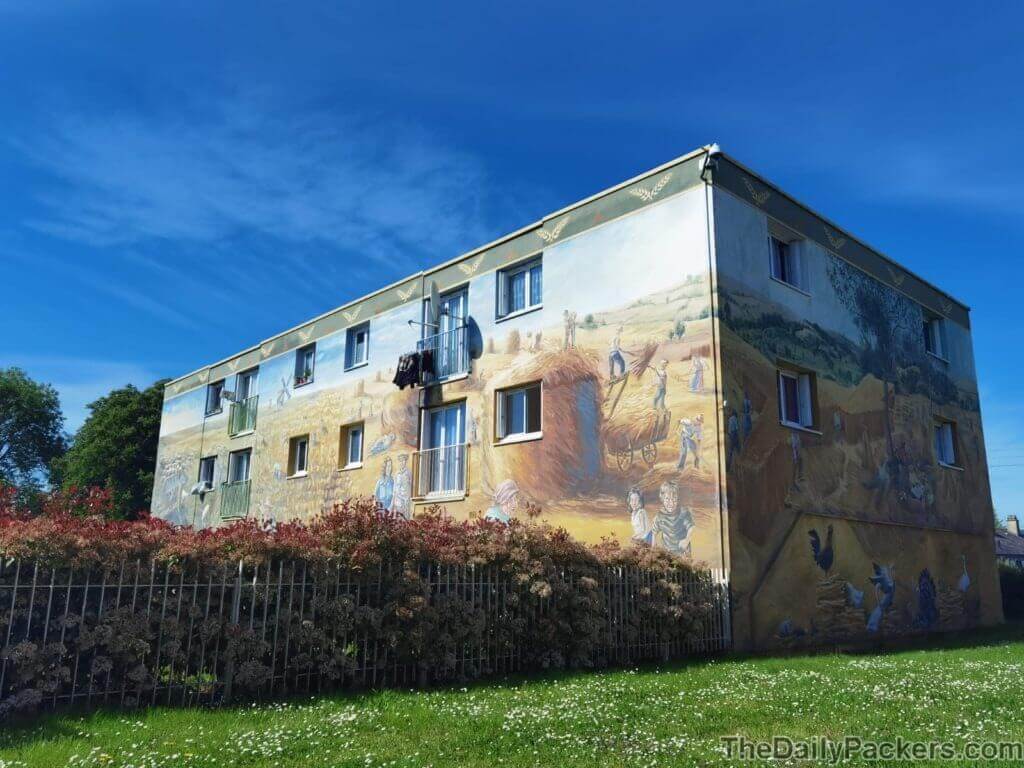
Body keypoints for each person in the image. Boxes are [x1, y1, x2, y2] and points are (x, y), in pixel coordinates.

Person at [652, 480, 694, 557]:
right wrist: (654, 547)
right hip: (667, 551)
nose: (671, 503)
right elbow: (654, 532)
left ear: (677, 499)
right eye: (667, 499)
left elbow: (691, 527)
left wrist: (687, 540)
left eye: (674, 499)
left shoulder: (684, 513)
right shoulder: (659, 516)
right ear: (662, 499)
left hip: (683, 551)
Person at [391, 454, 412, 520]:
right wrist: (394, 496)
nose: (403, 462)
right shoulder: (397, 473)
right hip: (398, 497)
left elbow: (411, 484)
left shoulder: (408, 472)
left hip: (406, 496)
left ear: (405, 462)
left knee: (406, 516)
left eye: (404, 461)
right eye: (401, 461)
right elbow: (395, 485)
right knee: (398, 515)